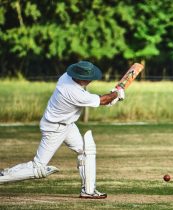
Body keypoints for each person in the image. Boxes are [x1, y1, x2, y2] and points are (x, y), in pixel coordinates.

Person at [0, 61, 124, 199]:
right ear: (81, 78)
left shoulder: (66, 77)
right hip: (55, 128)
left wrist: (112, 96)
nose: (90, 81)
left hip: (67, 125)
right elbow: (102, 100)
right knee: (38, 168)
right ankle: (2, 176)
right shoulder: (73, 92)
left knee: (85, 151)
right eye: (88, 78)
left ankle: (88, 191)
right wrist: (116, 94)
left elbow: (101, 99)